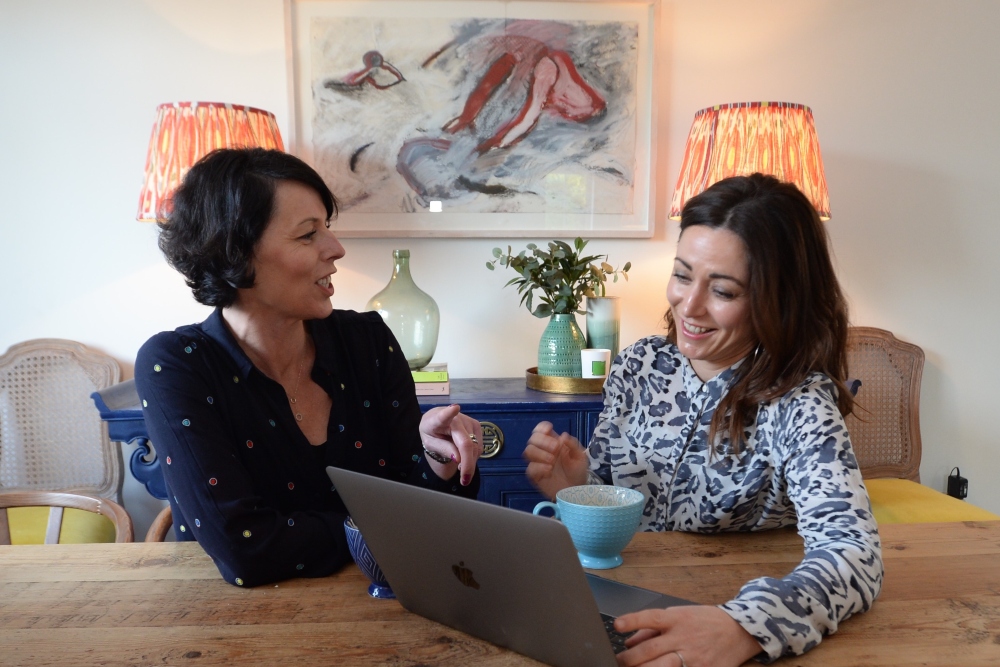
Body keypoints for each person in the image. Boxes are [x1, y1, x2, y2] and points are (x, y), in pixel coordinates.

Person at [524, 173, 883, 666]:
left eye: (724, 291)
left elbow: (853, 554)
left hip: (716, 618)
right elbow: (617, 507)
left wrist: (746, 626)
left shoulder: (800, 401)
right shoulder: (638, 364)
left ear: (777, 298)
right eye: (682, 274)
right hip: (614, 611)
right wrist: (580, 487)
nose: (689, 306)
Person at [135, 148, 482, 587]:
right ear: (236, 255)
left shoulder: (367, 341)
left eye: (328, 229)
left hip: (380, 613)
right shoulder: (175, 365)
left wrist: (437, 457)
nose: (335, 249)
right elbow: (246, 551)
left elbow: (432, 516)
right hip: (232, 632)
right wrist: (384, 525)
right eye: (307, 235)